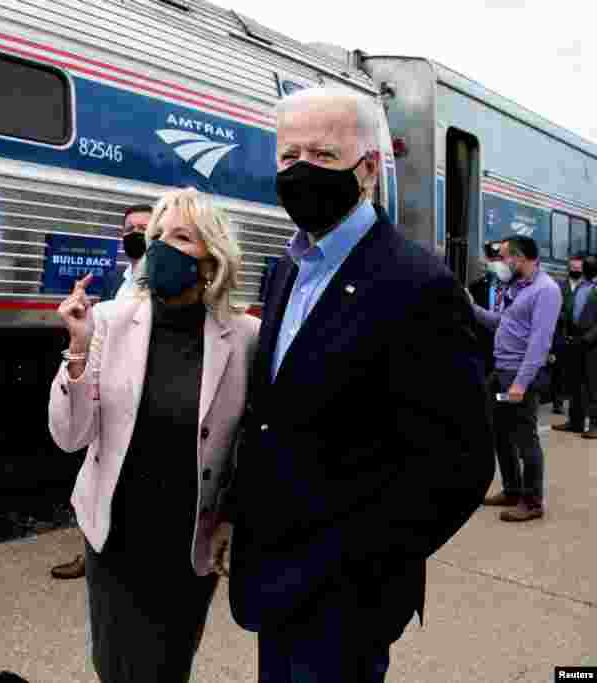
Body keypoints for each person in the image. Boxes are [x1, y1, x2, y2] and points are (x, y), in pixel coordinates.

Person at [218, 87, 493, 682]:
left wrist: (367, 563)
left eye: (320, 154)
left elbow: (462, 462)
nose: (299, 172)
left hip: (348, 597)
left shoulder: (418, 285)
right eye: (287, 157)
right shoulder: (290, 267)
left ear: (367, 168)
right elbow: (273, 414)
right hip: (274, 577)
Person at [48, 188, 259, 682]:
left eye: (180, 236)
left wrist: (232, 518)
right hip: (117, 536)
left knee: (167, 667)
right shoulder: (107, 323)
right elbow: (70, 436)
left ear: (212, 258)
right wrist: (76, 352)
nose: (160, 245)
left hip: (189, 544)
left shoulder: (244, 338)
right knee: (117, 665)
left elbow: (252, 442)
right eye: (156, 234)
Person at [51, 202, 152, 580]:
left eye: (144, 227)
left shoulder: (159, 280)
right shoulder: (117, 279)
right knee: (92, 465)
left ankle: (108, 555)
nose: (135, 234)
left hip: (134, 389)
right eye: (128, 228)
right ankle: (92, 549)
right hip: (99, 379)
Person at [472, 235, 561, 521]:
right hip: (501, 373)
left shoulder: (545, 290)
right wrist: (469, 306)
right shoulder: (519, 288)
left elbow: (539, 342)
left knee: (525, 437)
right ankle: (512, 489)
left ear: (520, 258)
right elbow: (503, 323)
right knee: (500, 432)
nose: (502, 262)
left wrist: (520, 384)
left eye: (506, 256)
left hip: (519, 378)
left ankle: (533, 502)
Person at [554, 255, 597, 438]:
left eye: (588, 266)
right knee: (575, 383)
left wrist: (589, 337)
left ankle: (595, 424)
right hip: (575, 340)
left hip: (592, 343)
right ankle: (576, 421)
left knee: (593, 384)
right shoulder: (581, 286)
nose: (584, 268)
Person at [552, 253, 588, 422]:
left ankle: (577, 408)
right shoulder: (559, 285)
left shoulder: (587, 286)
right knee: (558, 368)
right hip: (561, 331)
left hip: (578, 334)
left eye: (578, 268)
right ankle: (557, 402)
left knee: (576, 372)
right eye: (572, 267)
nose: (575, 270)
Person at [467, 241, 507, 375]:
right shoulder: (475, 288)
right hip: (482, 354)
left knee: (506, 396)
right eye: (492, 259)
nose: (496, 263)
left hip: (508, 355)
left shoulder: (518, 288)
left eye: (500, 259)